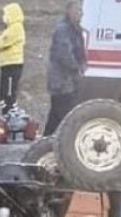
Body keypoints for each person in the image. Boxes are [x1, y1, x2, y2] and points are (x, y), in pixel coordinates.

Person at [43, 1, 86, 137]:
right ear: (69, 11)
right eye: (77, 10)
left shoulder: (75, 28)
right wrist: (77, 67)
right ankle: (65, 143)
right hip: (61, 81)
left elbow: (80, 51)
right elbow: (64, 54)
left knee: (55, 117)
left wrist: (84, 62)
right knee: (66, 118)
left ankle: (45, 142)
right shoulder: (63, 29)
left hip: (67, 81)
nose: (81, 13)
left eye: (81, 10)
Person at [0, 3, 26, 114]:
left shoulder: (16, 28)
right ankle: (7, 113)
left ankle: (9, 114)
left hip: (12, 64)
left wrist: (0, 39)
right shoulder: (10, 28)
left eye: (6, 14)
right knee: (4, 92)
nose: (4, 17)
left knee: (8, 93)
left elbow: (1, 43)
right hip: (7, 64)